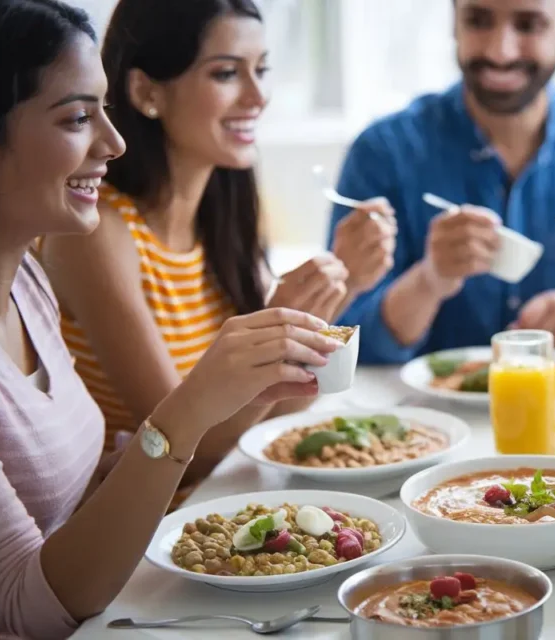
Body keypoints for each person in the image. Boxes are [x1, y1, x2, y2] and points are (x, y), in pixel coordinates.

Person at [0, 1, 338, 636]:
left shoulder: (25, 287)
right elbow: (23, 608)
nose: (111, 143)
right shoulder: (89, 236)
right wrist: (191, 408)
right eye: (75, 117)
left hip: (126, 589)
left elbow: (85, 488)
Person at [37, 0, 396, 485]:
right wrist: (280, 330)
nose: (258, 96)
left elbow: (279, 413)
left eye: (262, 70)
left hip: (224, 501)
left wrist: (339, 289)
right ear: (147, 92)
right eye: (227, 73)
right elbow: (180, 450)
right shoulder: (98, 233)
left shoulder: (224, 219)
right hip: (150, 531)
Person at [327, 0, 555, 363]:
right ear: (454, 20)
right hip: (421, 417)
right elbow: (341, 342)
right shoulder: (382, 153)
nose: (500, 51)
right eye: (478, 20)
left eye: (528, 25)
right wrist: (429, 281)